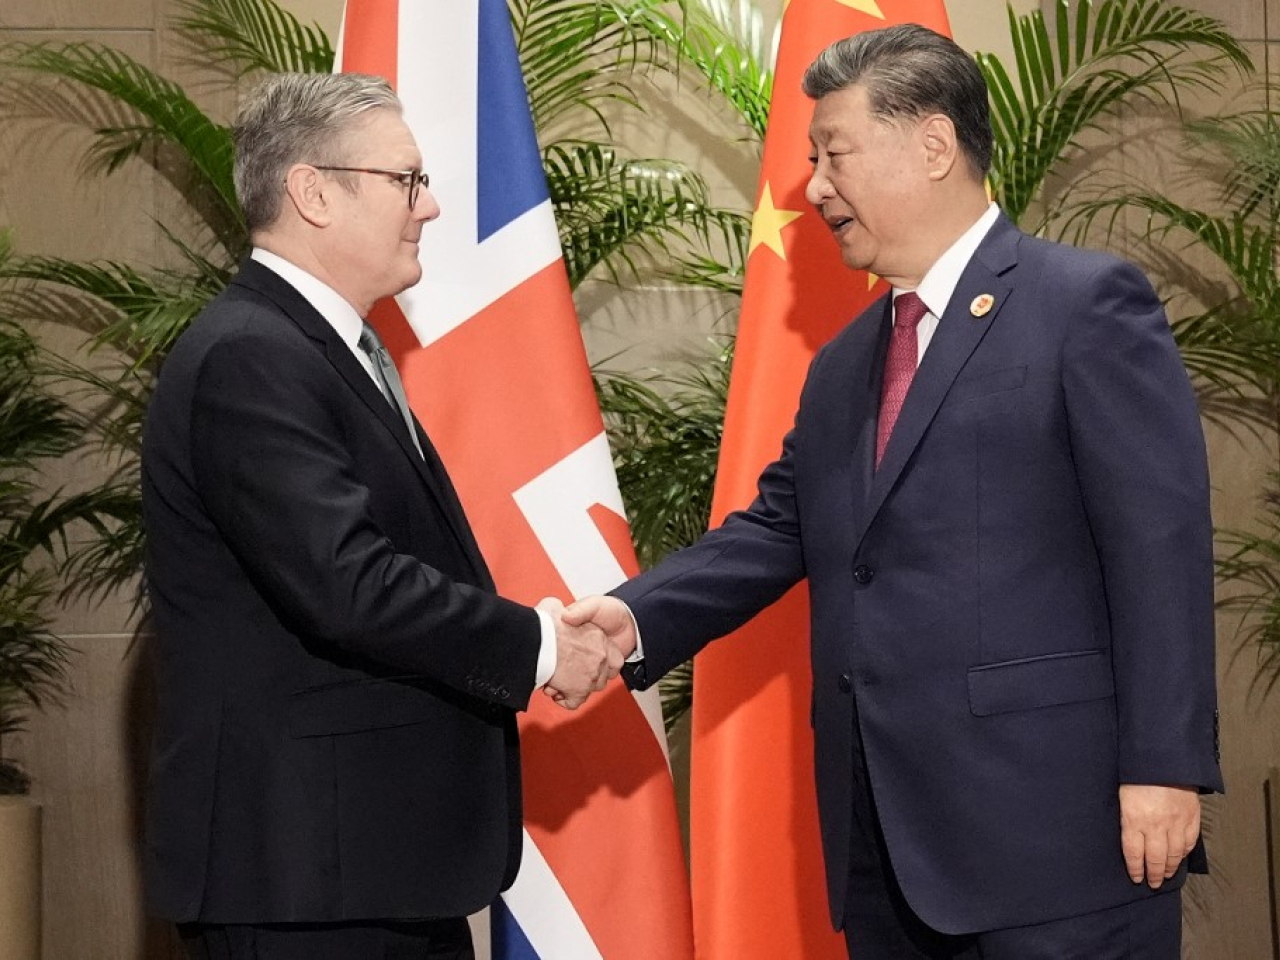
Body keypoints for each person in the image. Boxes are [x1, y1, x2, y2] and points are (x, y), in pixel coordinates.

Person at [564, 24, 1223, 959]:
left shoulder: (1083, 305)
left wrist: (1164, 766)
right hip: (884, 843)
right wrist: (632, 621)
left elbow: (1158, 545)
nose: (816, 188)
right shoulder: (844, 364)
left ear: (934, 145)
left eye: (834, 155)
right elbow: (774, 529)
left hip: (1058, 839)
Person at [141, 72, 616, 960]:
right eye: (406, 180)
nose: (430, 207)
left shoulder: (320, 347)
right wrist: (543, 646)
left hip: (365, 864)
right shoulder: (254, 355)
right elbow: (348, 583)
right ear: (313, 192)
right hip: (305, 880)